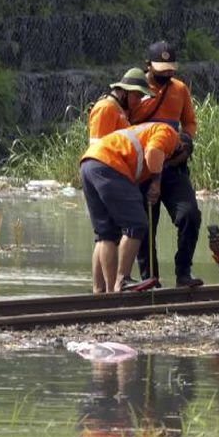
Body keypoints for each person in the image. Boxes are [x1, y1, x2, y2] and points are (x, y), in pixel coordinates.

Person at [129, 40, 203, 288]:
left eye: (170, 68)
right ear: (148, 65)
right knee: (144, 225)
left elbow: (190, 122)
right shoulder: (136, 90)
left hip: (173, 165)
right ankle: (150, 278)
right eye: (162, 69)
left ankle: (184, 272)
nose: (167, 73)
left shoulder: (180, 89)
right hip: (143, 169)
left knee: (189, 215)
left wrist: (187, 140)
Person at [80, 121, 180, 293]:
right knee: (136, 224)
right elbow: (154, 151)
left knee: (106, 233)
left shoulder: (145, 131)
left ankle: (102, 291)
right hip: (110, 163)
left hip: (89, 163)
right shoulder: (170, 134)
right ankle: (122, 280)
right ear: (182, 146)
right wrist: (157, 182)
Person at [86, 68, 151, 293]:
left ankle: (101, 291)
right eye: (136, 96)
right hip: (105, 173)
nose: (138, 101)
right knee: (121, 228)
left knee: (105, 233)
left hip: (101, 173)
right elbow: (99, 147)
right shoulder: (105, 108)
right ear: (123, 91)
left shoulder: (118, 110)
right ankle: (115, 285)